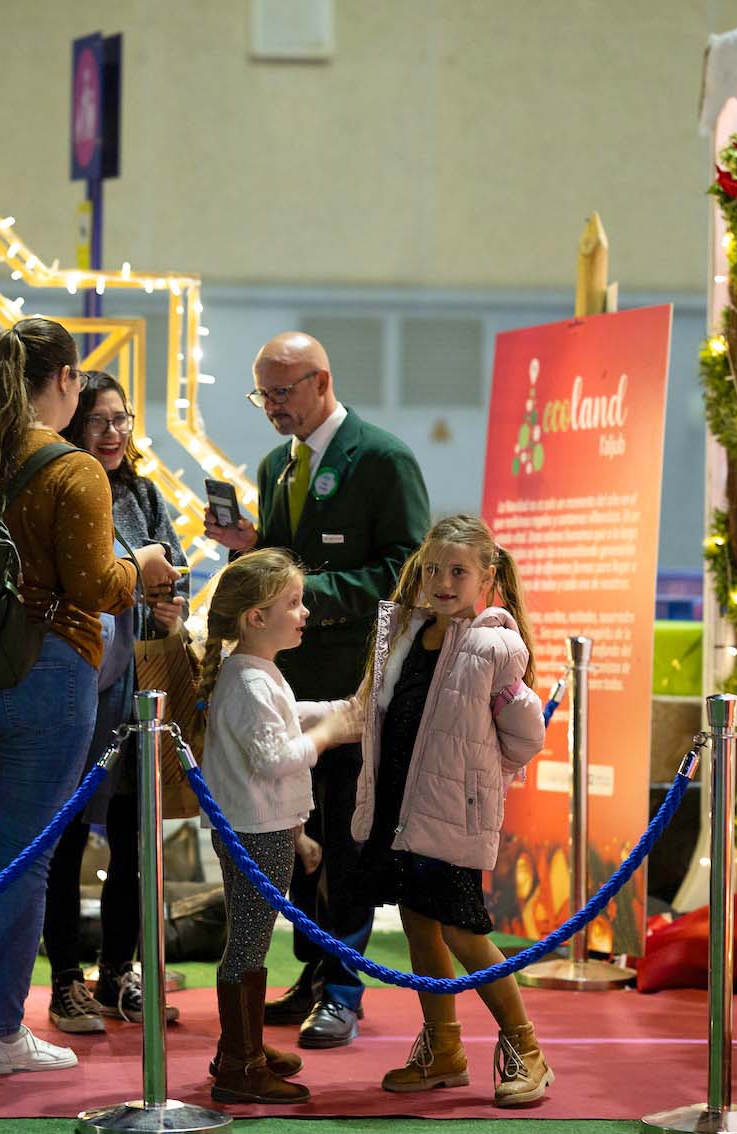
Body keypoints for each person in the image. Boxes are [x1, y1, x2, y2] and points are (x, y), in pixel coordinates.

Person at [0, 317, 179, 1075]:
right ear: (63, 381)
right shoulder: (71, 469)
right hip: (47, 679)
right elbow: (97, 586)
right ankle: (0, 1034)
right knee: (22, 857)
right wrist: (146, 562)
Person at [203, 331, 430, 1048]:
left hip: (349, 687)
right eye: (261, 393)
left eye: (281, 391)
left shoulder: (384, 459)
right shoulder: (276, 465)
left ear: (321, 381)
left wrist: (310, 593)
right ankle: (310, 971)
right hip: (283, 681)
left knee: (346, 838)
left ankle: (343, 987)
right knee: (291, 831)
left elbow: (408, 569)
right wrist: (251, 548)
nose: (270, 406)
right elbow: (281, 563)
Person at [351, 515, 551, 1107]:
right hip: (402, 809)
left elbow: (524, 738)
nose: (442, 581)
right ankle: (444, 1050)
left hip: (452, 813)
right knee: (418, 924)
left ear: (486, 576)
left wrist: (477, 782)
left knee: (465, 932)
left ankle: (526, 1048)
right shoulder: (408, 634)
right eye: (434, 568)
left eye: (458, 571)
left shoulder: (494, 645)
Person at [41, 371, 190, 1034]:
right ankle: (64, 980)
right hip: (73, 682)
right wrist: (139, 572)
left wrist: (168, 602)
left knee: (135, 836)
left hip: (136, 688)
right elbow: (81, 579)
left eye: (122, 419)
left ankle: (117, 974)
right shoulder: (62, 485)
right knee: (65, 837)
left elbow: (172, 573)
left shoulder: (142, 492)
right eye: (99, 420)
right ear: (73, 423)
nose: (113, 433)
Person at [197, 548, 357, 1104]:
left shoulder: (256, 672)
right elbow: (274, 757)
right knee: (247, 946)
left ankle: (242, 1050)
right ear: (255, 619)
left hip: (263, 830)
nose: (305, 612)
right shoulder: (247, 682)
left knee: (249, 944)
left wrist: (339, 711)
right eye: (292, 603)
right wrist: (330, 733)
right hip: (255, 835)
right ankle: (241, 1064)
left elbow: (288, 719)